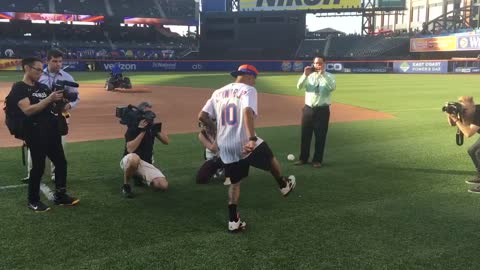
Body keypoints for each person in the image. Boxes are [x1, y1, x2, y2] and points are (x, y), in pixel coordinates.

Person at [198, 64, 296, 232]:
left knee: (235, 183)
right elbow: (247, 111)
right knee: (270, 157)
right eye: (255, 79)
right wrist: (251, 138)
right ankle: (283, 184)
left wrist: (215, 130)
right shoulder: (248, 90)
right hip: (244, 140)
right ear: (250, 76)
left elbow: (202, 116)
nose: (255, 83)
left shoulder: (217, 92)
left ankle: (233, 221)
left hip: (225, 145)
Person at [6, 57, 79, 211]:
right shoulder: (19, 88)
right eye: (37, 69)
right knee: (38, 167)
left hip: (51, 131)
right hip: (34, 132)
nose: (40, 72)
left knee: (60, 162)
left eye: (41, 69)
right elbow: (28, 110)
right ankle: (33, 200)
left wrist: (61, 103)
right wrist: (49, 99)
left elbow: (51, 107)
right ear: (26, 68)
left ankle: (60, 195)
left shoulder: (42, 87)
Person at [22, 49, 80, 183]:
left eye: (60, 61)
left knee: (60, 147)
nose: (58, 64)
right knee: (34, 146)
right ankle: (32, 174)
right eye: (54, 61)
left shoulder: (67, 77)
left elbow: (76, 96)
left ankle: (56, 174)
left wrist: (69, 105)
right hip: (39, 117)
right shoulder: (38, 75)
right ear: (47, 61)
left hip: (59, 117)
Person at [120, 101, 170, 198]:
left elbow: (166, 141)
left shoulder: (152, 127)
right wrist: (142, 131)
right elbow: (130, 149)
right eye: (147, 113)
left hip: (146, 162)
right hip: (129, 160)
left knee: (162, 186)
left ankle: (138, 176)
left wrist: (156, 129)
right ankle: (126, 186)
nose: (150, 115)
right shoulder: (133, 127)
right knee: (134, 159)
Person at [295, 55, 336, 168]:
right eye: (316, 63)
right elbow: (299, 86)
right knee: (305, 135)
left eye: (320, 63)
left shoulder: (330, 76)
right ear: (313, 64)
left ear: (324, 64)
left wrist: (323, 76)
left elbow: (332, 87)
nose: (318, 65)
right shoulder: (309, 76)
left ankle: (317, 160)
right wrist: (304, 75)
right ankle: (303, 159)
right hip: (308, 109)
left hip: (322, 110)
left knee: (320, 136)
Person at [446, 96, 480, 193]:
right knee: (472, 150)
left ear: (473, 106)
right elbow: (452, 124)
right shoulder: (464, 112)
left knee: (479, 153)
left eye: (465, 109)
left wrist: (456, 120)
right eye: (462, 109)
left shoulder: (478, 113)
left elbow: (468, 133)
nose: (464, 111)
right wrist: (450, 114)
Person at [195, 118, 227, 185]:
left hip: (226, 158)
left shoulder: (224, 131)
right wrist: (217, 135)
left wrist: (218, 132)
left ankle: (226, 171)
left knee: (231, 176)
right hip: (212, 159)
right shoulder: (202, 135)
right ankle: (218, 171)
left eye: (206, 125)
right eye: (203, 125)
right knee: (200, 179)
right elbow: (213, 149)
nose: (205, 127)